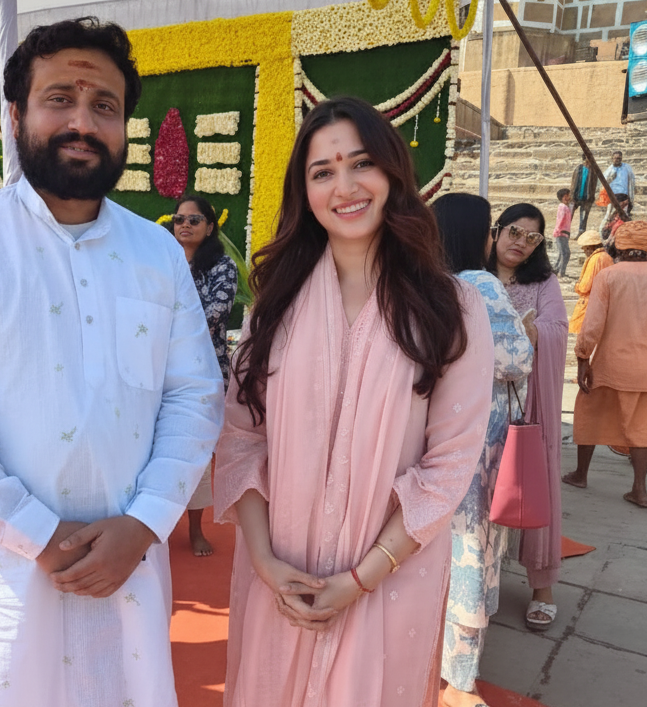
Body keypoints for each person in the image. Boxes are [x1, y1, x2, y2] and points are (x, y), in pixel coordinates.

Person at [0, 18, 224, 707]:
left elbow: (194, 393)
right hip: (4, 586)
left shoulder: (157, 255)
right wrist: (35, 533)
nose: (82, 121)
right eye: (59, 98)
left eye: (104, 106)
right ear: (15, 114)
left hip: (128, 578)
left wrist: (147, 520)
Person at [213, 97, 494, 707]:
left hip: (390, 581)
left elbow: (449, 467)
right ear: (304, 190)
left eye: (360, 163)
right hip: (278, 579)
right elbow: (241, 438)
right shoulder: (275, 304)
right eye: (322, 171)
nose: (345, 186)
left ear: (392, 172)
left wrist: (358, 581)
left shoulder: (451, 308)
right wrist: (263, 560)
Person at [433, 193, 534, 707]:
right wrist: (527, 333)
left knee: (434, 547)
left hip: (434, 436)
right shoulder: (481, 286)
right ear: (480, 235)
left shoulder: (423, 284)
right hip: (478, 438)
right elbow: (515, 361)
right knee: (472, 548)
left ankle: (430, 655)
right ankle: (460, 679)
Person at [488, 203, 567, 632]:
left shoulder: (542, 283)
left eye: (532, 237)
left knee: (536, 485)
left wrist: (533, 332)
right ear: (497, 230)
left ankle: (542, 586)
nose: (520, 242)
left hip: (526, 403)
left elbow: (559, 328)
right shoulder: (474, 276)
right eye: (514, 232)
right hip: (480, 402)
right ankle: (481, 576)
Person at [563, 221, 647, 508]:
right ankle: (639, 489)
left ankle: (580, 474)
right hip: (645, 370)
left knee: (589, 416)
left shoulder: (610, 276)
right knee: (641, 427)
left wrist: (582, 358)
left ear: (620, 246)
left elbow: (592, 326)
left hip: (610, 366)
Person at [171, 195, 237, 557]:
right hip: (160, 372)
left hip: (202, 373)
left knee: (195, 450)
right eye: (180, 219)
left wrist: (166, 323)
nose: (184, 225)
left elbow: (214, 315)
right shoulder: (162, 261)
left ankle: (196, 531)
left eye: (194, 220)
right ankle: (157, 526)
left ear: (210, 227)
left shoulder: (223, 267)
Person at [568, 230, 613, 335]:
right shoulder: (607, 257)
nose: (585, 252)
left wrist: (577, 286)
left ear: (589, 247)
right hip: (605, 301)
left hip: (590, 302)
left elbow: (585, 287)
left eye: (584, 249)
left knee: (578, 331)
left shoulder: (595, 259)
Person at [598, 151, 635, 230]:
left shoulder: (626, 168)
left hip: (624, 196)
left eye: (618, 158)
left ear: (621, 158)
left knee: (623, 217)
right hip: (612, 196)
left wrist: (631, 198)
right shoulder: (610, 169)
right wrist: (611, 178)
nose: (616, 160)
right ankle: (605, 232)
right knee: (609, 216)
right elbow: (603, 183)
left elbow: (631, 182)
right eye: (615, 158)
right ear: (612, 159)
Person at [569, 154, 597, 236]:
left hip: (587, 197)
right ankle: (565, 232)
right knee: (569, 215)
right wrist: (571, 195)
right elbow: (573, 182)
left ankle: (581, 234)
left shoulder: (594, 170)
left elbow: (595, 184)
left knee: (584, 217)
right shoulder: (578, 168)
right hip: (575, 196)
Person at [552, 188, 573, 278]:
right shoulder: (563, 207)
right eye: (566, 196)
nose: (568, 198)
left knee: (562, 253)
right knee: (565, 253)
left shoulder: (566, 207)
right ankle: (561, 272)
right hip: (561, 233)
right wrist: (559, 231)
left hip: (564, 233)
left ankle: (555, 270)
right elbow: (560, 220)